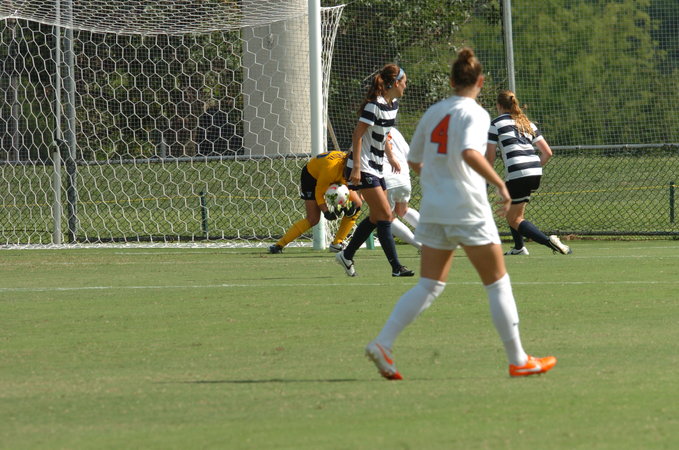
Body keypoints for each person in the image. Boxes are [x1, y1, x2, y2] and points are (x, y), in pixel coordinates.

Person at [364, 48, 556, 380]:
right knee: (497, 283)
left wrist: (438, 178)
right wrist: (500, 184)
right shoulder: (476, 113)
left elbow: (414, 160)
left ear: (452, 82)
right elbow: (469, 153)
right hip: (468, 208)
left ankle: (383, 343)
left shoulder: (434, 112)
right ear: (479, 82)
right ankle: (518, 359)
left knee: (429, 284)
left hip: (435, 209)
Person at [335, 64, 414, 277]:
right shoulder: (373, 106)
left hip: (377, 166)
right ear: (395, 83)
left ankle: (346, 255)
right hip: (363, 166)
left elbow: (383, 134)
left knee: (376, 216)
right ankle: (396, 267)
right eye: (404, 82)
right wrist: (357, 168)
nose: (406, 86)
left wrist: (391, 157)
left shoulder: (393, 104)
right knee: (386, 215)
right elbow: (357, 135)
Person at [486, 90, 571, 256]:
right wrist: (533, 168)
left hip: (518, 171)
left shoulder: (495, 124)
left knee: (514, 219)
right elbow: (547, 153)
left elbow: (490, 157)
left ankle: (550, 242)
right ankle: (519, 248)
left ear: (499, 106)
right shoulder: (527, 123)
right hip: (535, 170)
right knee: (515, 212)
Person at [268, 150, 362, 254]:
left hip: (334, 174)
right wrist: (326, 212)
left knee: (357, 205)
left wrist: (349, 206)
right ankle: (278, 245)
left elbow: (359, 188)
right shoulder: (330, 170)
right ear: (346, 167)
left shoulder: (356, 168)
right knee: (313, 219)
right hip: (311, 177)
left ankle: (337, 243)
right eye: (350, 174)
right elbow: (319, 194)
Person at [383, 127, 421, 250]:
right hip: (403, 177)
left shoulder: (368, 129)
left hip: (385, 178)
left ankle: (421, 246)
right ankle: (435, 237)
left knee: (387, 217)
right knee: (403, 210)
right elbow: (408, 154)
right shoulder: (394, 131)